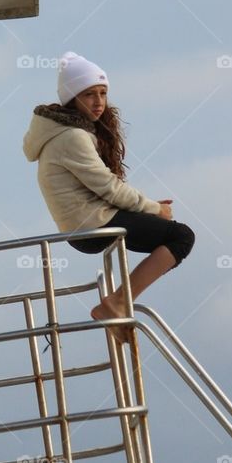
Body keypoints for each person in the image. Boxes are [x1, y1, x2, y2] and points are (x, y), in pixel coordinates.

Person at [23, 51, 194, 337]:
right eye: (89, 94)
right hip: (91, 226)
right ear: (72, 98)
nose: (99, 101)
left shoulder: (66, 132)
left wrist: (150, 209)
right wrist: (153, 209)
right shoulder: (72, 137)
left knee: (167, 230)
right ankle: (116, 302)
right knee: (181, 236)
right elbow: (108, 187)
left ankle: (116, 305)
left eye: (103, 93)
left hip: (85, 222)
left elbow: (102, 189)